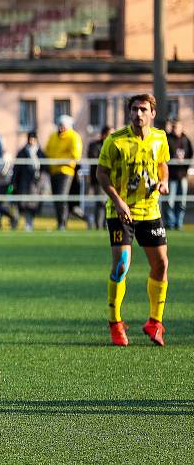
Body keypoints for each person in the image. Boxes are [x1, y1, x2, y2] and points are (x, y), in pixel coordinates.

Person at [96, 93, 170, 347]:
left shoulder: (160, 138)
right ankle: (115, 322)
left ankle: (155, 322)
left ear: (152, 114)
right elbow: (101, 174)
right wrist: (118, 201)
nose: (138, 114)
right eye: (134, 109)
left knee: (161, 265)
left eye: (143, 109)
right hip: (120, 212)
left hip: (150, 211)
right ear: (129, 113)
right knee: (121, 266)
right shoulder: (115, 141)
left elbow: (163, 165)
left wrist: (164, 182)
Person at [45, 114, 82, 230]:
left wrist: (62, 160)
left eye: (63, 125)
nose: (61, 128)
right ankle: (60, 222)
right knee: (56, 199)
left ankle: (63, 223)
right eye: (60, 125)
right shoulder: (53, 136)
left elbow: (76, 155)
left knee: (62, 197)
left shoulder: (73, 137)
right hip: (53, 171)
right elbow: (48, 151)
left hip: (66, 172)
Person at [11, 131, 46, 231]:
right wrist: (14, 182)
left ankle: (29, 223)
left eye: (33, 138)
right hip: (23, 183)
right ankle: (18, 222)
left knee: (32, 204)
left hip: (35, 184)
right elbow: (16, 168)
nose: (31, 140)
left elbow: (45, 168)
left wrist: (40, 178)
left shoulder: (40, 152)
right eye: (30, 138)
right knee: (22, 204)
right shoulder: (22, 152)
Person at [164, 120, 193, 230]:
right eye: (173, 127)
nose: (175, 129)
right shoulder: (167, 139)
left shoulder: (186, 140)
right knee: (170, 201)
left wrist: (186, 168)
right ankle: (170, 223)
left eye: (177, 127)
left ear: (181, 127)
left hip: (182, 175)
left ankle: (178, 223)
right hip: (170, 176)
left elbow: (190, 154)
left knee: (182, 201)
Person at [85, 125, 113, 230]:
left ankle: (107, 224)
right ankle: (99, 225)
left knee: (109, 202)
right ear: (104, 134)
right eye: (110, 134)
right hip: (99, 179)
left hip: (112, 179)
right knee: (100, 202)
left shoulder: (114, 145)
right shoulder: (94, 145)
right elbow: (93, 158)